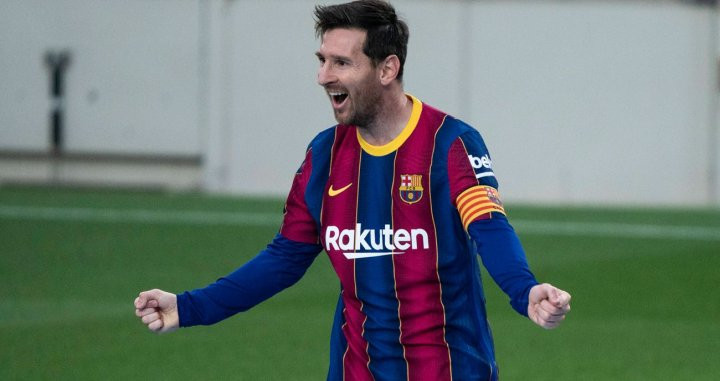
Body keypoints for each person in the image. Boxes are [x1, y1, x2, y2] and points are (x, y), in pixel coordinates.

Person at [134, 1, 571, 380]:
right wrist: (188, 307)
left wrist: (524, 290)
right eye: (322, 60)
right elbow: (285, 257)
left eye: (341, 63)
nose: (323, 76)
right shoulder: (323, 155)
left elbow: (489, 229)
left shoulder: (450, 144)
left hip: (451, 370)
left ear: (387, 68)